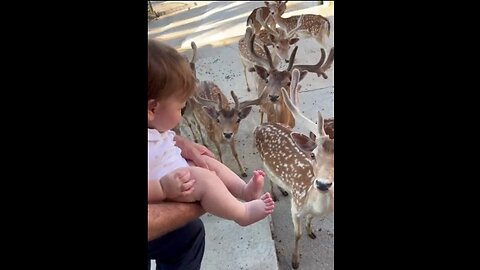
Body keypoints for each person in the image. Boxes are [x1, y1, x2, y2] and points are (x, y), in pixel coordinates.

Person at [147, 39, 274, 270]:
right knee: (203, 177)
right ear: (152, 109)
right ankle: (242, 213)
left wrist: (181, 141)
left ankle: (243, 190)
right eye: (180, 108)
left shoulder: (152, 127)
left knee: (205, 161)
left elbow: (158, 142)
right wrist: (164, 189)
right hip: (167, 188)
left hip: (170, 173)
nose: (182, 113)